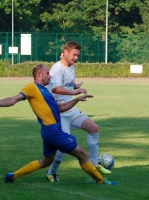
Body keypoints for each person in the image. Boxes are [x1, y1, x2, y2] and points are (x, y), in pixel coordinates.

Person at [0, 64, 117, 185]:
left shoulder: (45, 91)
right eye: (47, 73)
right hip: (53, 131)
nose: (50, 76)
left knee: (46, 162)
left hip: (49, 131)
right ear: (39, 75)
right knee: (81, 154)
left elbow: (61, 108)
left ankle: (12, 176)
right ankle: (101, 181)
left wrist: (77, 100)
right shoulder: (32, 87)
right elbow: (13, 99)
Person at [46, 41, 110, 182]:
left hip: (71, 109)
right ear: (66, 52)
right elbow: (56, 88)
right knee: (63, 146)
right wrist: (75, 91)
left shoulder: (71, 67)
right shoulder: (57, 68)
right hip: (60, 112)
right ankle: (51, 172)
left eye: (78, 55)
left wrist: (75, 85)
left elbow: (66, 83)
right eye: (74, 55)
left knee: (93, 128)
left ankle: (93, 165)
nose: (76, 58)